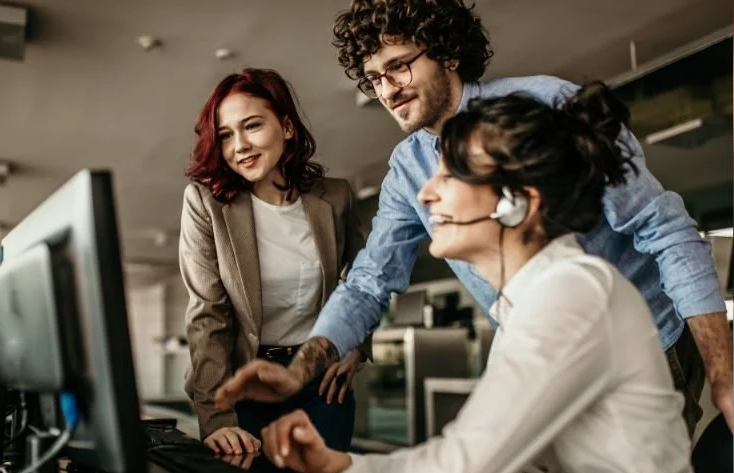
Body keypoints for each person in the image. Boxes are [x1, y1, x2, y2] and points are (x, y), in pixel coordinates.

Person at [215, 0, 733, 436]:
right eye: (374, 78)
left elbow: (665, 229)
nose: (387, 89)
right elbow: (370, 280)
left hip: (637, 349)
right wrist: (299, 370)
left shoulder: (545, 104)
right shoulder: (408, 166)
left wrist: (722, 372)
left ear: (446, 52)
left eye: (399, 65)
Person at [257, 82, 701, 473]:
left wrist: (344, 466)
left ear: (516, 203)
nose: (427, 194)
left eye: (450, 176)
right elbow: (465, 463)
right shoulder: (527, 303)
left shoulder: (571, 294)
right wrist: (337, 462)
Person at [179, 68, 369, 455]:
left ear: (286, 127)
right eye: (227, 135)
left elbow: (363, 282)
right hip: (245, 384)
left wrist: (356, 346)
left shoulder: (335, 197)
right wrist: (215, 419)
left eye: (251, 126)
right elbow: (208, 315)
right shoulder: (206, 205)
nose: (240, 146)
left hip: (321, 383)